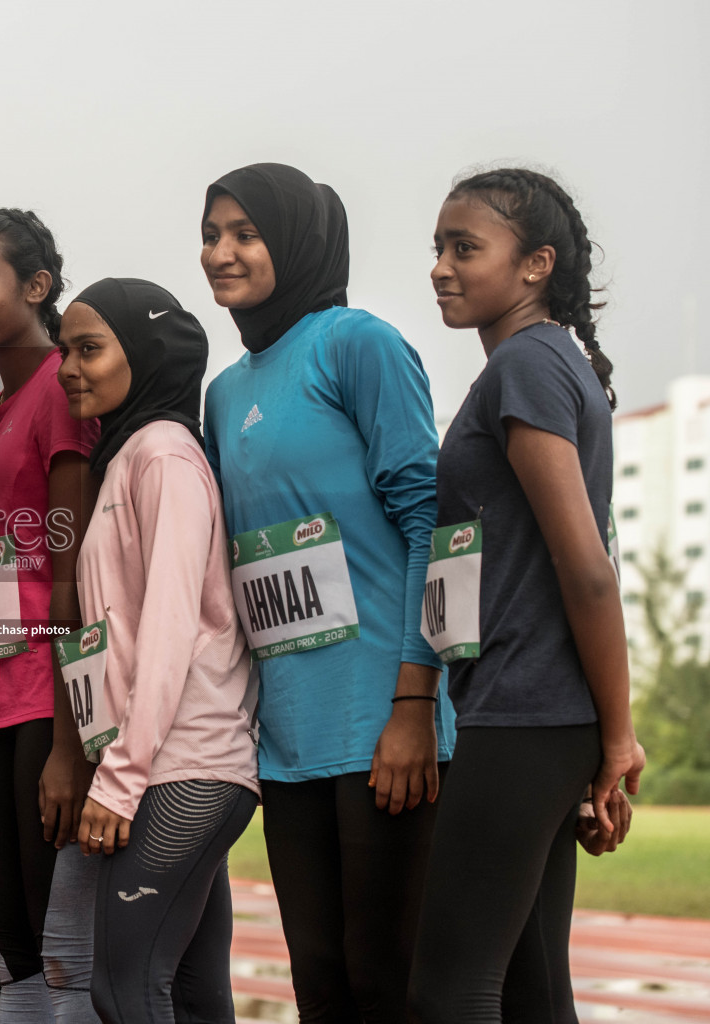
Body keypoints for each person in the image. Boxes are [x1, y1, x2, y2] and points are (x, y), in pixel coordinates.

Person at [199, 163, 455, 1022]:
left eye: (246, 232)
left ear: (297, 239)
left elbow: (437, 526)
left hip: (386, 725)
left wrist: (415, 705)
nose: (222, 252)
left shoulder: (358, 344)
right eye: (212, 233)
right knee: (320, 982)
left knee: (390, 983)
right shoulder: (225, 391)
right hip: (288, 742)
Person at [408, 168, 645, 1023]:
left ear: (537, 263)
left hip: (528, 711)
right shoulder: (539, 363)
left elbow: (587, 568)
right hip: (535, 712)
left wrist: (617, 736)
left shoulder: (527, 365)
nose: (440, 265)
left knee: (449, 989)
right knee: (530, 990)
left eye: (465, 248)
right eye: (437, 247)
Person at [56, 277, 260, 1023]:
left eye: (90, 349)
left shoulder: (165, 456)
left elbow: (171, 627)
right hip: (162, 764)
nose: (70, 368)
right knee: (196, 996)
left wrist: (119, 780)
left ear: (144, 354)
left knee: (124, 988)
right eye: (65, 351)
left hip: (184, 766)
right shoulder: (128, 455)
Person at [0, 209, 100, 1021]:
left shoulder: (62, 394)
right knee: (12, 946)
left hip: (47, 699)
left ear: (36, 288)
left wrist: (72, 743)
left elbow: (70, 576)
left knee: (59, 946)